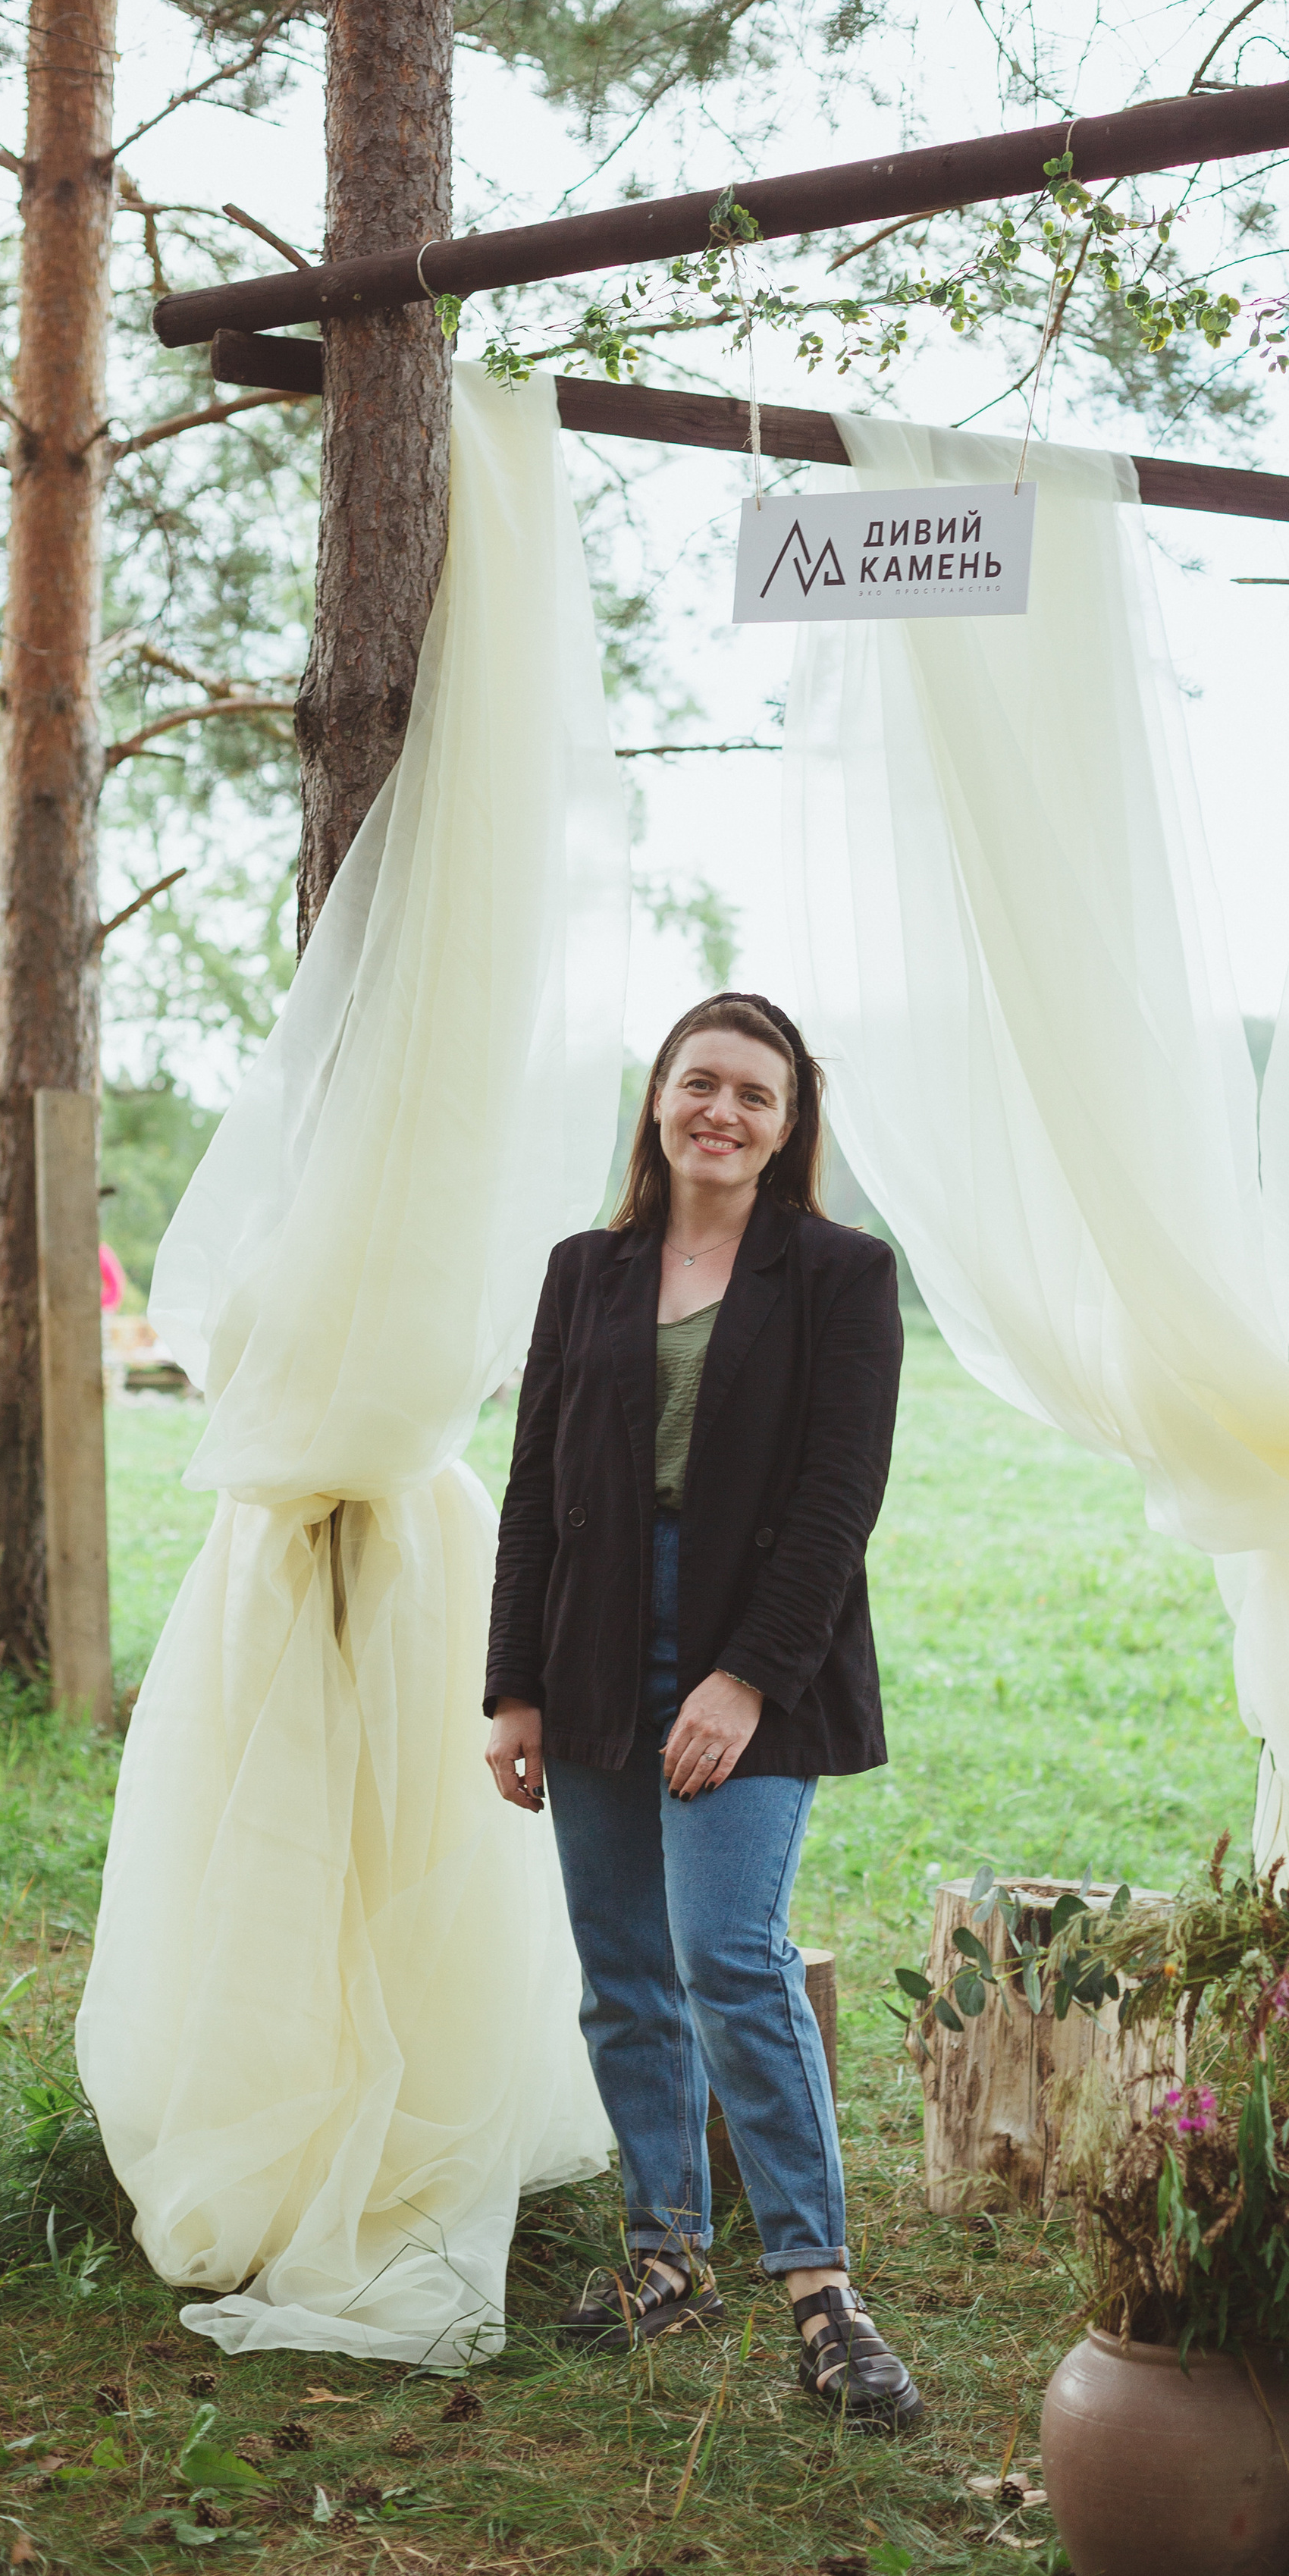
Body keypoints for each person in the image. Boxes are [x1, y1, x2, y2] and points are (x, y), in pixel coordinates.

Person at [483, 991, 920, 2430]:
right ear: (659, 1098)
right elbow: (535, 1489)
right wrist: (513, 1687)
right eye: (699, 1084)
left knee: (730, 1952)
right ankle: (663, 2254)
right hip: (590, 1639)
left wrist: (743, 1677)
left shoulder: (843, 1276)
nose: (722, 1113)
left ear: (789, 1127)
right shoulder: (586, 1270)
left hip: (759, 1633)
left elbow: (839, 1497)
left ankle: (820, 2291)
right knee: (622, 1963)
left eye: (755, 1095)